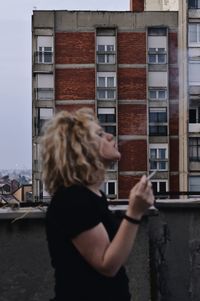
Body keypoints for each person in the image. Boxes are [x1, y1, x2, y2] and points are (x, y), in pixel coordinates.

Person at [40, 107, 154, 301]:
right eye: (100, 134)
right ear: (81, 149)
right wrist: (134, 212)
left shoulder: (93, 196)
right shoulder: (72, 200)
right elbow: (107, 265)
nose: (110, 136)